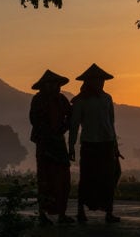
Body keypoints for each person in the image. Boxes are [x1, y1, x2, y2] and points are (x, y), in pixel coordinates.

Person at [68, 63, 122, 224]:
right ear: (89, 82)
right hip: (90, 144)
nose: (100, 83)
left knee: (111, 176)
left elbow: (111, 123)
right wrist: (71, 146)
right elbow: (74, 125)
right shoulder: (80, 101)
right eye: (97, 80)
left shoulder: (107, 98)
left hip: (107, 143)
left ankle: (108, 212)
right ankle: (80, 212)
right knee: (87, 178)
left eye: (102, 80)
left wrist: (115, 146)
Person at [29, 69, 75, 225]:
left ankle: (61, 214)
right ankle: (43, 214)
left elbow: (71, 115)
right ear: (45, 85)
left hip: (58, 143)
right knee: (45, 179)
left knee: (63, 180)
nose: (56, 87)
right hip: (44, 143)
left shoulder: (61, 100)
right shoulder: (38, 100)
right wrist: (50, 132)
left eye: (57, 84)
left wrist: (63, 128)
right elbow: (34, 119)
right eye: (53, 84)